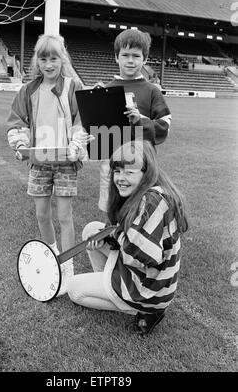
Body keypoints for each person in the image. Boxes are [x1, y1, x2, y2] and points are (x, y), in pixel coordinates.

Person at [67, 140, 188, 335]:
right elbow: (125, 233)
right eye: (117, 171)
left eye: (129, 172)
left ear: (146, 173)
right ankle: (106, 281)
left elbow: (147, 254)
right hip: (150, 277)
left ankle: (142, 309)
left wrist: (113, 234)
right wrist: (107, 234)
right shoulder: (152, 192)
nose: (120, 178)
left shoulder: (152, 201)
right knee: (93, 228)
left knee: (74, 290)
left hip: (149, 289)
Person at [6, 34, 92, 295]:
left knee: (64, 216)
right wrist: (21, 146)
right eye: (43, 58)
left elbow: (82, 120)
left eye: (54, 58)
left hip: (65, 161)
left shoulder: (72, 86)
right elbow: (16, 121)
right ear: (37, 61)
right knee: (42, 214)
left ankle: (68, 270)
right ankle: (52, 256)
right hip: (40, 161)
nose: (49, 64)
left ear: (61, 59)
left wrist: (76, 146)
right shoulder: (29, 90)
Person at [98, 29, 172, 212]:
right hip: (113, 164)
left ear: (145, 59)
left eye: (136, 56)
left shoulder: (152, 90)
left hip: (142, 165)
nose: (130, 60)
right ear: (116, 57)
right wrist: (94, 104)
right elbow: (99, 135)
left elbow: (164, 127)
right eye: (125, 55)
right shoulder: (106, 90)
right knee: (112, 211)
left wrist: (141, 120)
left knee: (141, 211)